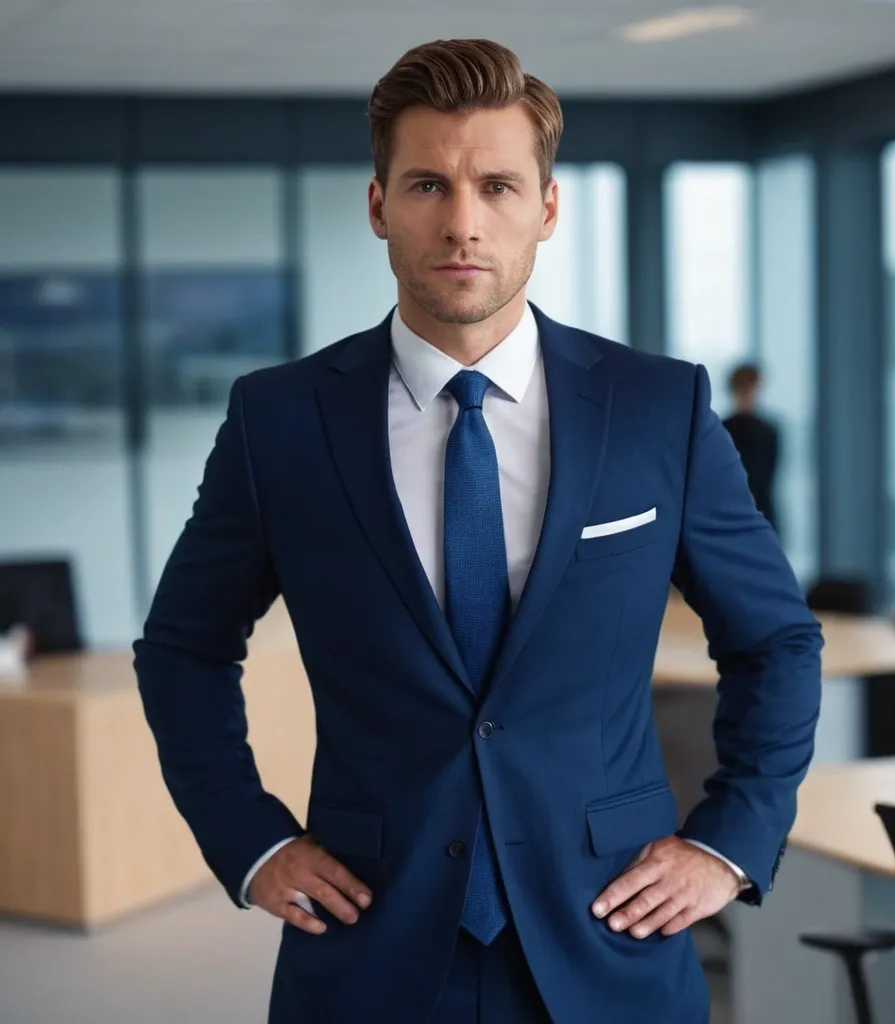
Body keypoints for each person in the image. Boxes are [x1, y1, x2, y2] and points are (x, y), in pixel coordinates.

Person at [134, 39, 822, 1024]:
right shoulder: (278, 420)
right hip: (370, 937)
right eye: (426, 184)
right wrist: (248, 838)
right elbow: (183, 648)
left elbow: (776, 640)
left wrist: (727, 841)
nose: (461, 223)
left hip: (612, 932)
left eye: (497, 186)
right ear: (377, 205)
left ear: (545, 208)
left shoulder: (656, 407)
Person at [722, 363, 781, 533]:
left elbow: (767, 478)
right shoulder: (721, 429)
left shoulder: (768, 430)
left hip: (760, 512)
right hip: (732, 513)